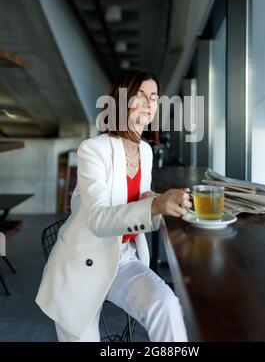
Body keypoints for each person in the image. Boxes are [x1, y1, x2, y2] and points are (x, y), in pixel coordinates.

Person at [35, 68, 192, 342]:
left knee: (166, 306)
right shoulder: (92, 149)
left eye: (154, 97)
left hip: (124, 258)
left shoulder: (145, 151)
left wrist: (163, 203)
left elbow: (138, 199)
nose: (148, 104)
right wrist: (155, 206)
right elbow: (98, 219)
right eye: (139, 96)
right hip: (81, 263)